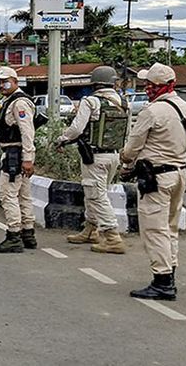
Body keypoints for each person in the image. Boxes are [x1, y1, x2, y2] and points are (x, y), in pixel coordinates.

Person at [122, 63, 186, 301]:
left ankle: (162, 282)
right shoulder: (185, 107)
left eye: (149, 84)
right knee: (170, 228)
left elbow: (132, 147)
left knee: (155, 230)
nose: (147, 88)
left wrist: (126, 162)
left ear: (157, 86)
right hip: (180, 174)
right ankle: (169, 273)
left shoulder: (151, 111)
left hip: (156, 178)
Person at [57, 66, 127, 254]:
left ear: (95, 84)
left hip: (95, 156)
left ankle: (112, 237)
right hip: (114, 156)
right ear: (113, 83)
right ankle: (90, 230)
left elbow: (77, 128)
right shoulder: (123, 102)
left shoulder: (91, 102)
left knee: (97, 196)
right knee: (94, 193)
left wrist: (62, 139)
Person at [0, 67, 38, 253]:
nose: (1, 85)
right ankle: (28, 233)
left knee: (7, 194)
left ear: (15, 81)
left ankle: (14, 235)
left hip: (15, 154)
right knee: (23, 195)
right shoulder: (11, 101)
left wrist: (28, 159)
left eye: (5, 81)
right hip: (17, 153)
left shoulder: (19, 103)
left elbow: (27, 132)